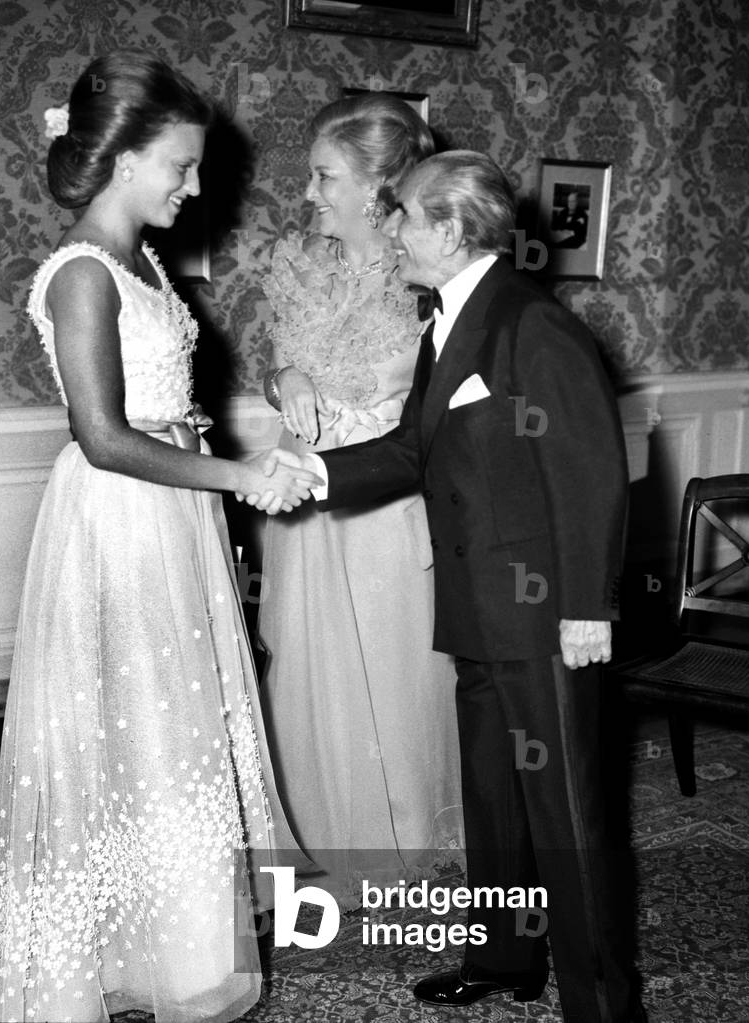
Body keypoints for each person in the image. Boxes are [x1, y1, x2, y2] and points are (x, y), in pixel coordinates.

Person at [253, 150, 647, 1021]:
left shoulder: (530, 324)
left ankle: (602, 1004)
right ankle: (505, 955)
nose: (390, 232)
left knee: (566, 815)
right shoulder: (448, 321)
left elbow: (590, 473)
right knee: (492, 796)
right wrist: (312, 470)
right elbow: (409, 453)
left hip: (544, 616)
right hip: (476, 609)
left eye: (403, 217)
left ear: (450, 229)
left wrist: (587, 606)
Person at [0, 51, 320, 1023]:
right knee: (134, 735)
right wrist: (239, 473)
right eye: (181, 164)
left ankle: (177, 955)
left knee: (175, 734)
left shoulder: (146, 261)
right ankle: (94, 962)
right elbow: (104, 437)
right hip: (119, 524)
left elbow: (166, 411)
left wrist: (230, 465)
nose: (196, 184)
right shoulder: (81, 273)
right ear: (126, 158)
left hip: (174, 519)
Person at [256, 94, 463, 906]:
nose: (308, 192)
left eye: (323, 175)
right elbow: (273, 370)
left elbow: (438, 411)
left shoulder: (431, 278)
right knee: (308, 665)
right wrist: (286, 379)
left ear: (378, 185)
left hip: (383, 501)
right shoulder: (297, 263)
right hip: (301, 495)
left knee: (395, 667)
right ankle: (319, 833)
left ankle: (409, 840)